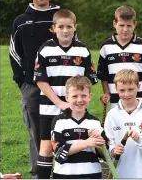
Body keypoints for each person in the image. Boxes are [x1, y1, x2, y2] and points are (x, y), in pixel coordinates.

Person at [34, 9, 98, 178]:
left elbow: (88, 80)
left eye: (69, 26)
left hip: (76, 109)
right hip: (50, 108)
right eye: (60, 26)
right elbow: (40, 80)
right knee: (47, 148)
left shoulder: (83, 50)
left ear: (75, 27)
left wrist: (76, 100)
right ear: (53, 28)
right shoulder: (45, 49)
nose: (65, 30)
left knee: (74, 143)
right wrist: (60, 103)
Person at [9, 0, 60, 178]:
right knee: (37, 133)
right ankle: (38, 174)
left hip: (60, 86)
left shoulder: (60, 18)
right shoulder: (20, 21)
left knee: (64, 129)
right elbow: (14, 53)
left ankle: (65, 171)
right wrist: (23, 81)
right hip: (31, 87)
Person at [104, 69, 142, 178]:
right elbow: (107, 142)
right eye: (122, 90)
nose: (127, 94)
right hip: (120, 172)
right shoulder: (112, 115)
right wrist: (113, 150)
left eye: (131, 89)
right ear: (116, 89)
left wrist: (140, 139)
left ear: (138, 87)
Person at [97, 5, 142, 110]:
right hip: (117, 99)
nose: (125, 29)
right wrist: (106, 92)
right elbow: (103, 75)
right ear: (114, 23)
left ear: (135, 24)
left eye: (129, 26)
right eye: (121, 25)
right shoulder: (106, 47)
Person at [51, 75, 107, 179]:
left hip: (92, 175)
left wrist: (99, 143)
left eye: (84, 96)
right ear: (67, 97)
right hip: (64, 175)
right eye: (75, 96)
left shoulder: (95, 122)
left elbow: (105, 156)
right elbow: (58, 152)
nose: (79, 100)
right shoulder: (59, 121)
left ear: (90, 96)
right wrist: (86, 143)